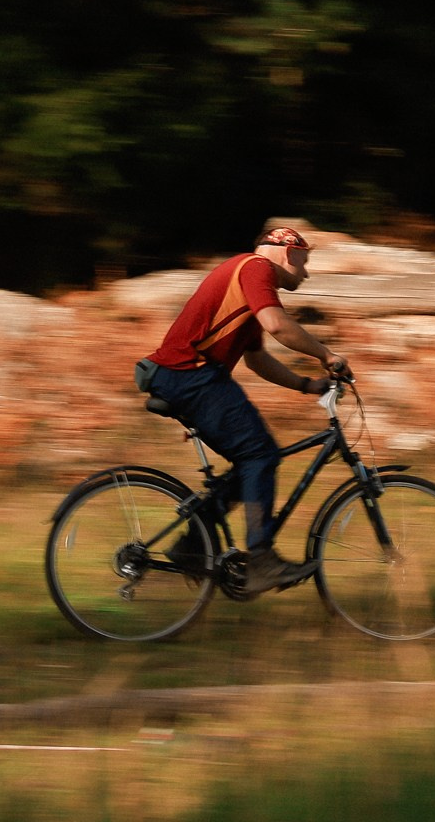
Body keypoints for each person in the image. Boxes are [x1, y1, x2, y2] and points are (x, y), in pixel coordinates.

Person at [139, 225, 350, 594]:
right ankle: (261, 560)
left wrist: (306, 385)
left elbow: (257, 360)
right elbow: (277, 325)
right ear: (288, 251)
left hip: (187, 377)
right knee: (260, 455)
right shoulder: (255, 268)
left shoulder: (247, 284)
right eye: (305, 261)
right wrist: (326, 354)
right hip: (190, 375)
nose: (306, 272)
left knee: (252, 459)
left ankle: (193, 543)